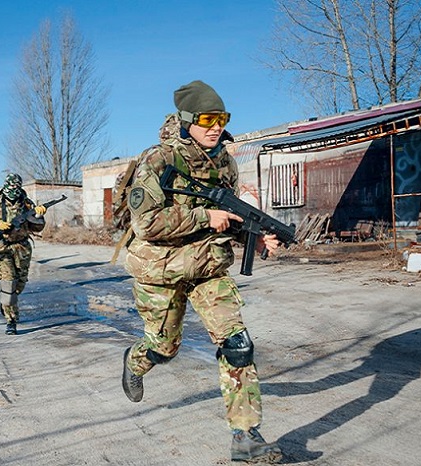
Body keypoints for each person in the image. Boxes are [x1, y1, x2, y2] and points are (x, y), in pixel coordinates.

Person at [120, 80, 282, 463]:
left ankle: (245, 437)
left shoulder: (224, 161)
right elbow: (146, 224)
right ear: (187, 121)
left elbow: (228, 216)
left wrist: (253, 238)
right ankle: (134, 362)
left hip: (207, 267)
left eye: (221, 119)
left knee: (238, 345)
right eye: (207, 119)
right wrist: (203, 216)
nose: (215, 126)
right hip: (160, 269)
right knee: (164, 347)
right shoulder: (159, 161)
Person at [0, 174, 46, 335]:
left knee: (19, 285)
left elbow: (37, 228)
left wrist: (39, 216)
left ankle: (5, 300)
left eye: (16, 187)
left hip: (22, 248)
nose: (13, 190)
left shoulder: (26, 204)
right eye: (10, 186)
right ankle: (11, 320)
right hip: (1, 248)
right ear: (5, 186)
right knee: (8, 282)